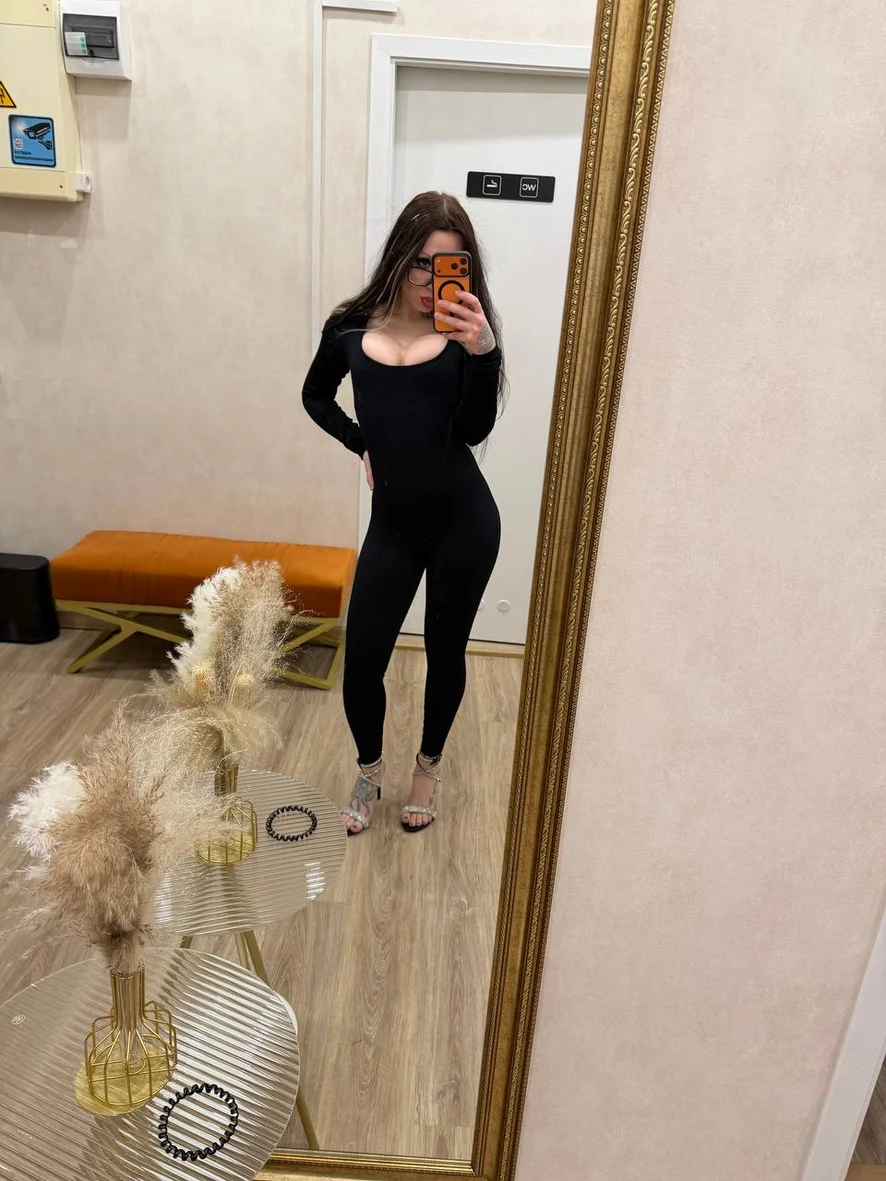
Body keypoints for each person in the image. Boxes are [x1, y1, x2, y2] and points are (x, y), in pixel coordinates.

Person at [302, 191, 504, 836]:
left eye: (447, 266)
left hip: (464, 523)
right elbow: (315, 396)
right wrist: (361, 442)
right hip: (392, 526)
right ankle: (369, 770)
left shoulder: (465, 333)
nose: (429, 280)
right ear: (399, 256)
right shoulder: (350, 327)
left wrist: (485, 353)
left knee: (446, 652)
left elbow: (473, 431)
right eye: (421, 263)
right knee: (362, 660)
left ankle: (427, 769)